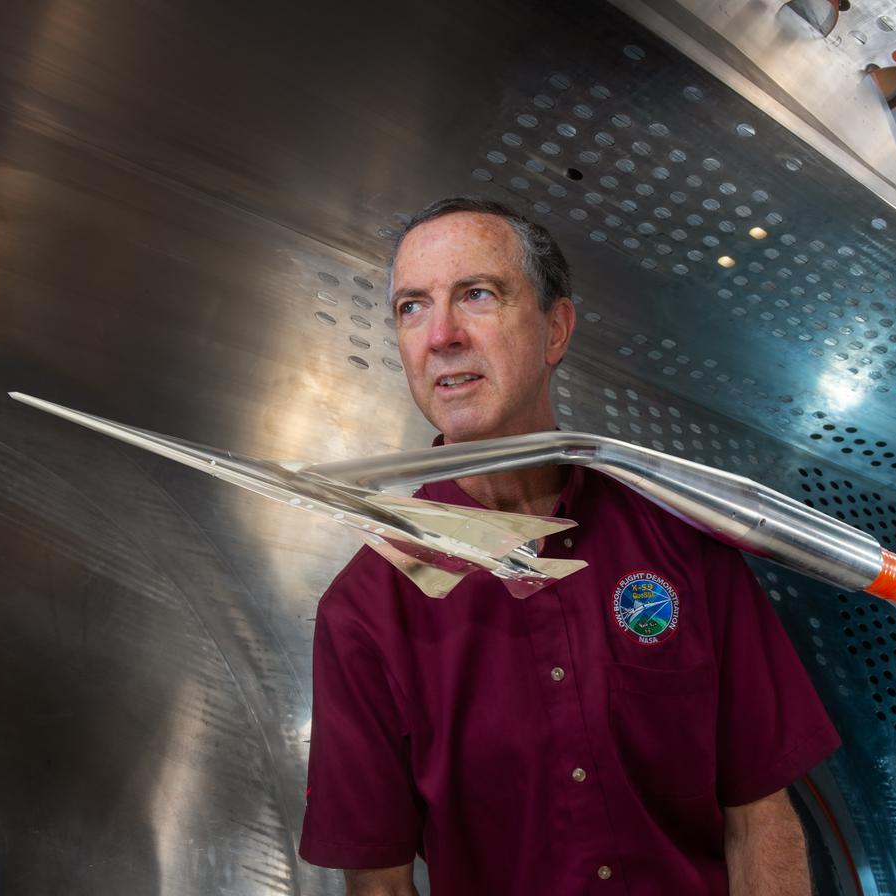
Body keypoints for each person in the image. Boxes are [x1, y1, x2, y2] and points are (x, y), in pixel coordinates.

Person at [299, 197, 840, 895]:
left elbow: (760, 817)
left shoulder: (681, 539)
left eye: (478, 294)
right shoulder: (365, 610)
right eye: (412, 307)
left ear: (555, 328)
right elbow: (379, 886)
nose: (440, 335)